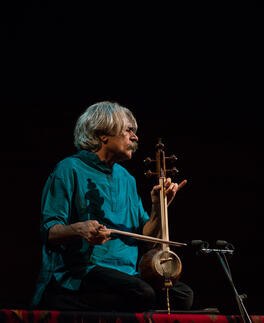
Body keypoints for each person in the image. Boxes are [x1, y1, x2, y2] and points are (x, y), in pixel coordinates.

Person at [31, 101, 194, 312]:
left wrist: (158, 207)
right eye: (129, 130)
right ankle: (61, 298)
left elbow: (144, 236)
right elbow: (49, 231)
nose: (135, 138)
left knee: (182, 296)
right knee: (142, 293)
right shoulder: (69, 169)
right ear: (102, 134)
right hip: (84, 272)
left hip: (127, 275)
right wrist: (79, 229)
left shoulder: (126, 178)